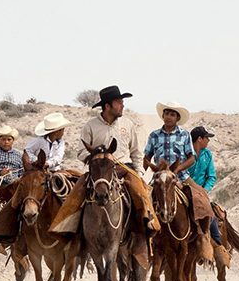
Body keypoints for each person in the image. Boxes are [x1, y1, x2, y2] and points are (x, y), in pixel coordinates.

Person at [50, 85, 159, 249]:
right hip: (98, 169)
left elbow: (136, 152)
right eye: (119, 102)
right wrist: (95, 159)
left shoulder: (127, 124)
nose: (123, 105)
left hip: (124, 167)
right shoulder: (90, 126)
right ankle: (69, 233)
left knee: (141, 194)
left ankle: (147, 231)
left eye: (122, 101)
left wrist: (139, 173)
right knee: (76, 193)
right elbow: (81, 151)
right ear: (108, 106)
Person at [144, 102, 213, 260]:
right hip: (159, 177)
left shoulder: (184, 135)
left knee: (201, 200)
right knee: (143, 201)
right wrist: (150, 166)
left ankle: (203, 237)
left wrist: (177, 169)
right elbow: (146, 157)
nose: (169, 117)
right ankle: (144, 240)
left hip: (180, 176)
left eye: (172, 114)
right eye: (166, 113)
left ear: (177, 118)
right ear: (163, 116)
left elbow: (192, 159)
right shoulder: (154, 135)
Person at [188, 125, 222, 247]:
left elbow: (211, 176)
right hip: (185, 189)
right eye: (207, 138)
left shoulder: (207, 155)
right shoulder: (185, 153)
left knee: (210, 215)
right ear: (199, 139)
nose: (208, 140)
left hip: (201, 193)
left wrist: (204, 190)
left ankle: (217, 244)